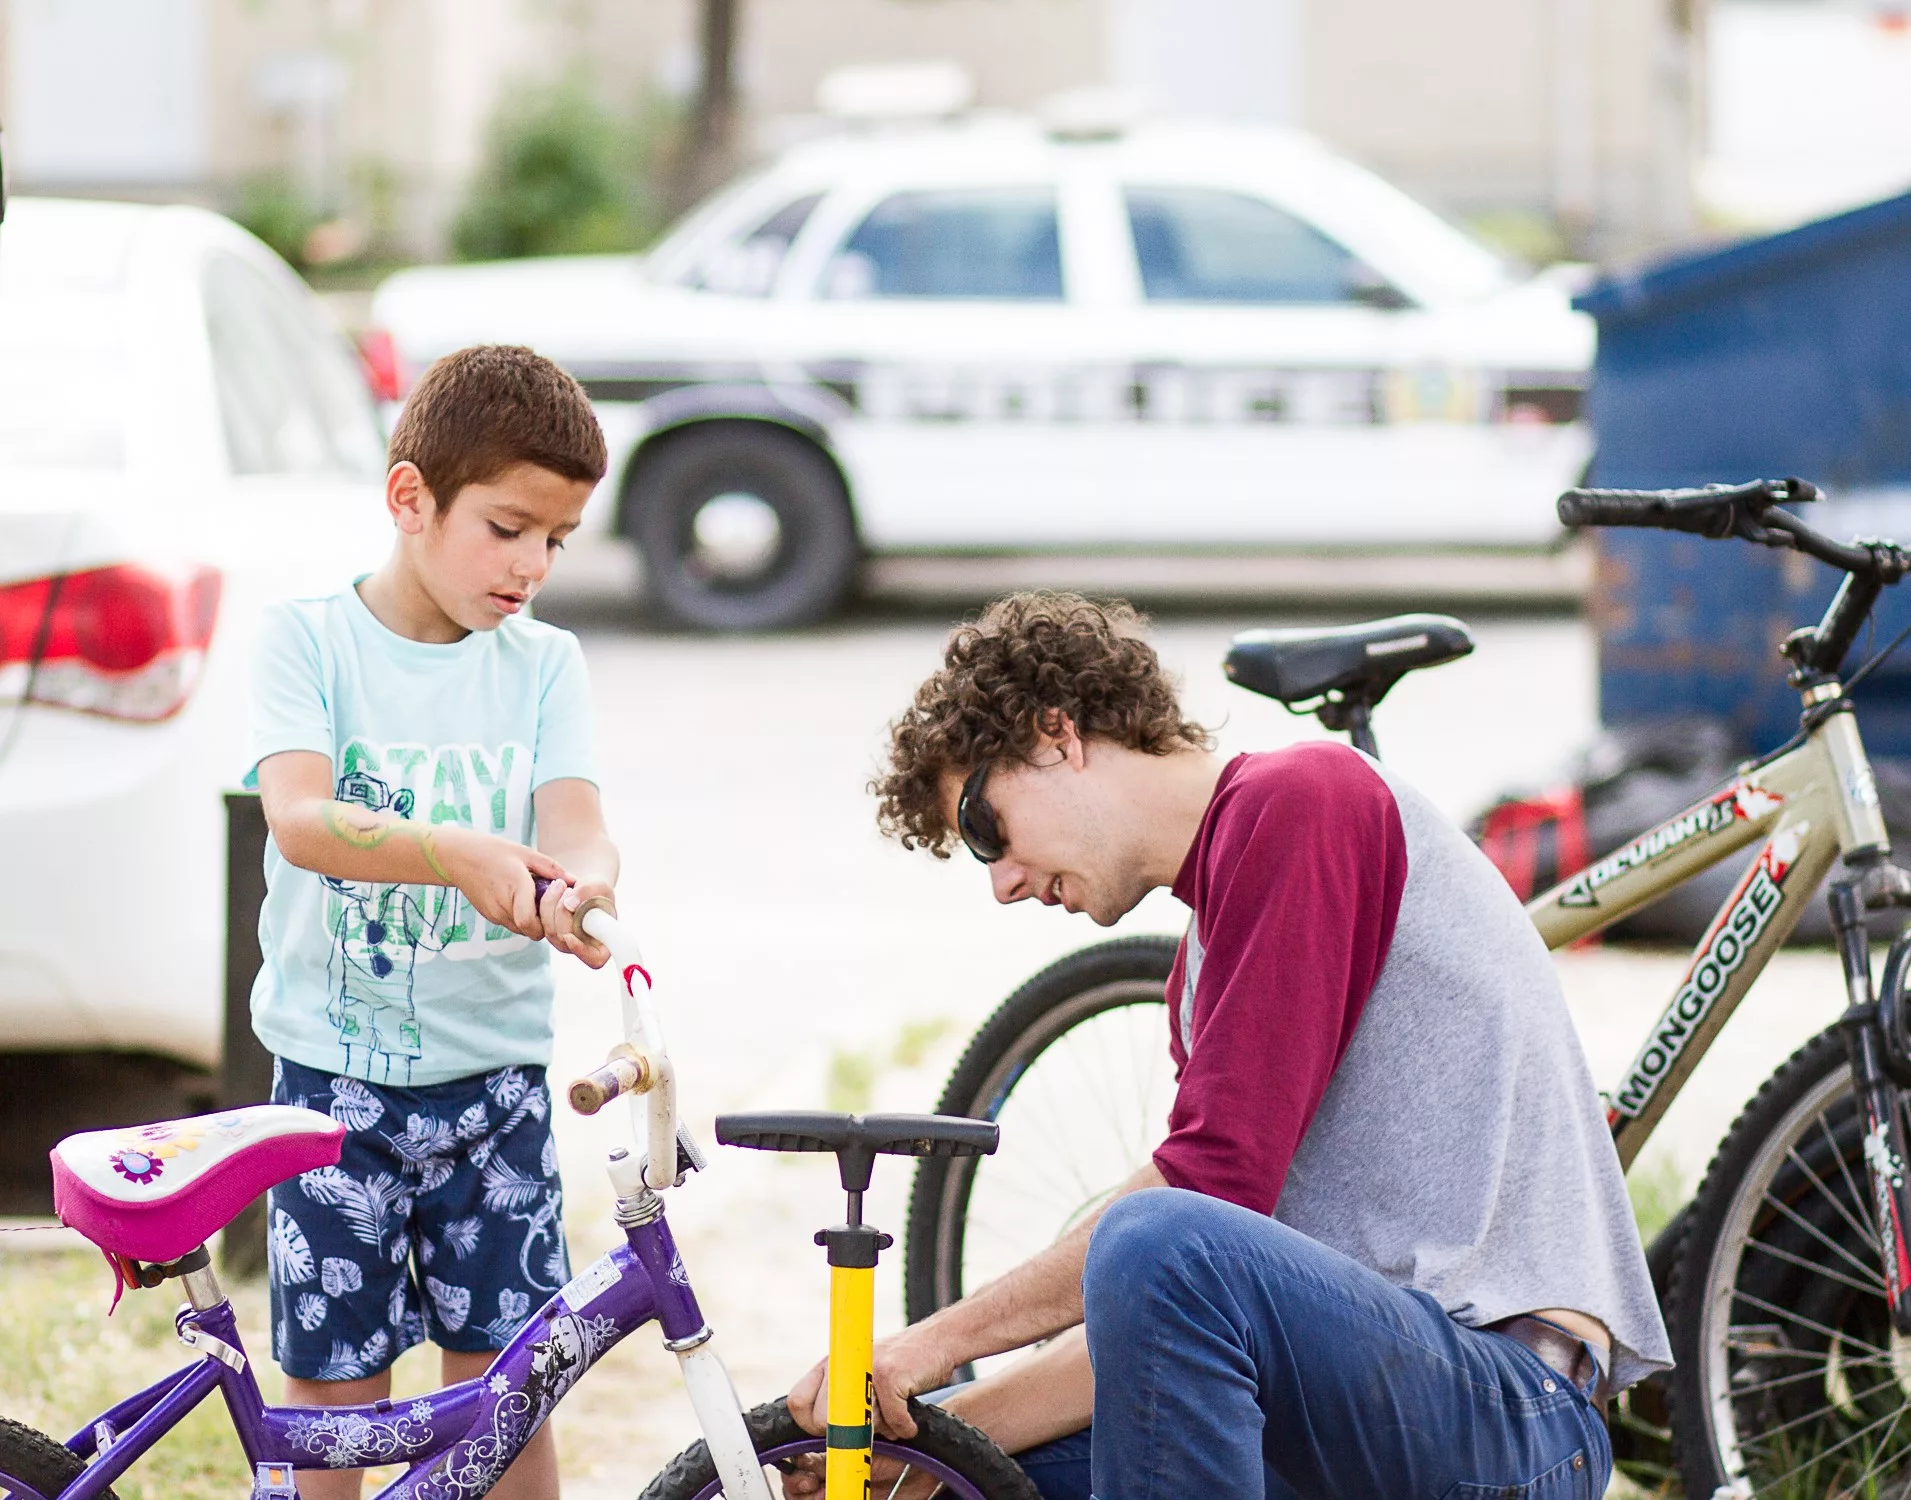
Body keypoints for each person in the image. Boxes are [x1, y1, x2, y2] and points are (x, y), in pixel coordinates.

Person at [788, 591, 1670, 1500]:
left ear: (1056, 735)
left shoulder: (1303, 799)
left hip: (1506, 1416)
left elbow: (1189, 1212)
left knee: (1155, 1237)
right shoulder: (1202, 970)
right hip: (1357, 1413)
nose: (1002, 883)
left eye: (984, 829)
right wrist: (929, 1454)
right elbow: (1163, 1325)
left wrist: (926, 1347)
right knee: (973, 1485)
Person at [250, 345, 620, 1500]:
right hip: (330, 1086)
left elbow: (581, 824)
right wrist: (455, 855)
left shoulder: (546, 666)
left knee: (510, 1391)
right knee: (335, 1402)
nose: (533, 567)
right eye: (508, 528)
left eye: (556, 541)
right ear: (411, 497)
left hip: (496, 1084)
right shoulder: (309, 639)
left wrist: (583, 885)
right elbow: (302, 818)